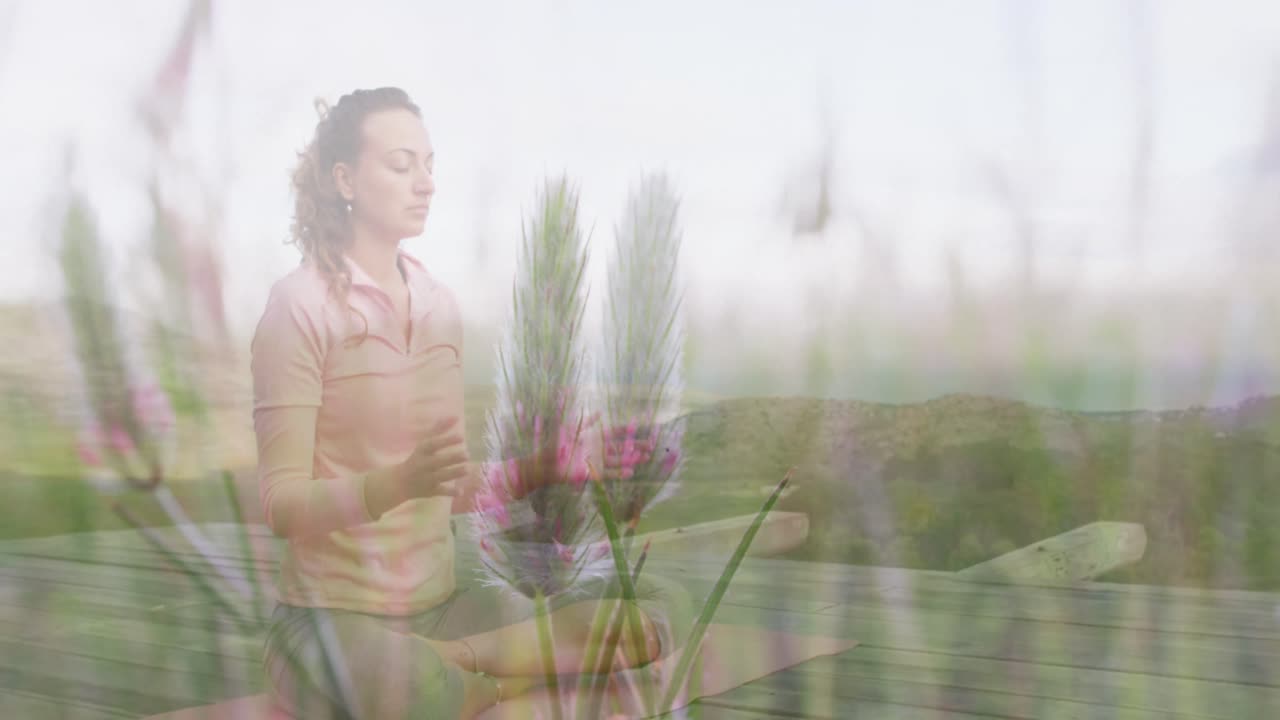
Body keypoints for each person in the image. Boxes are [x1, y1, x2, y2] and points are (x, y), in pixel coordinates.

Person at [251, 87, 692, 719]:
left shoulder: (438, 305)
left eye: (430, 164)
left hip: (445, 610)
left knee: (656, 601)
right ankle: (514, 670)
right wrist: (397, 482)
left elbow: (451, 485)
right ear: (344, 178)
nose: (425, 183)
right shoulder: (297, 308)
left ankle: (472, 664)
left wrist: (551, 466)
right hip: (328, 624)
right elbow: (282, 505)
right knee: (417, 688)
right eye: (402, 166)